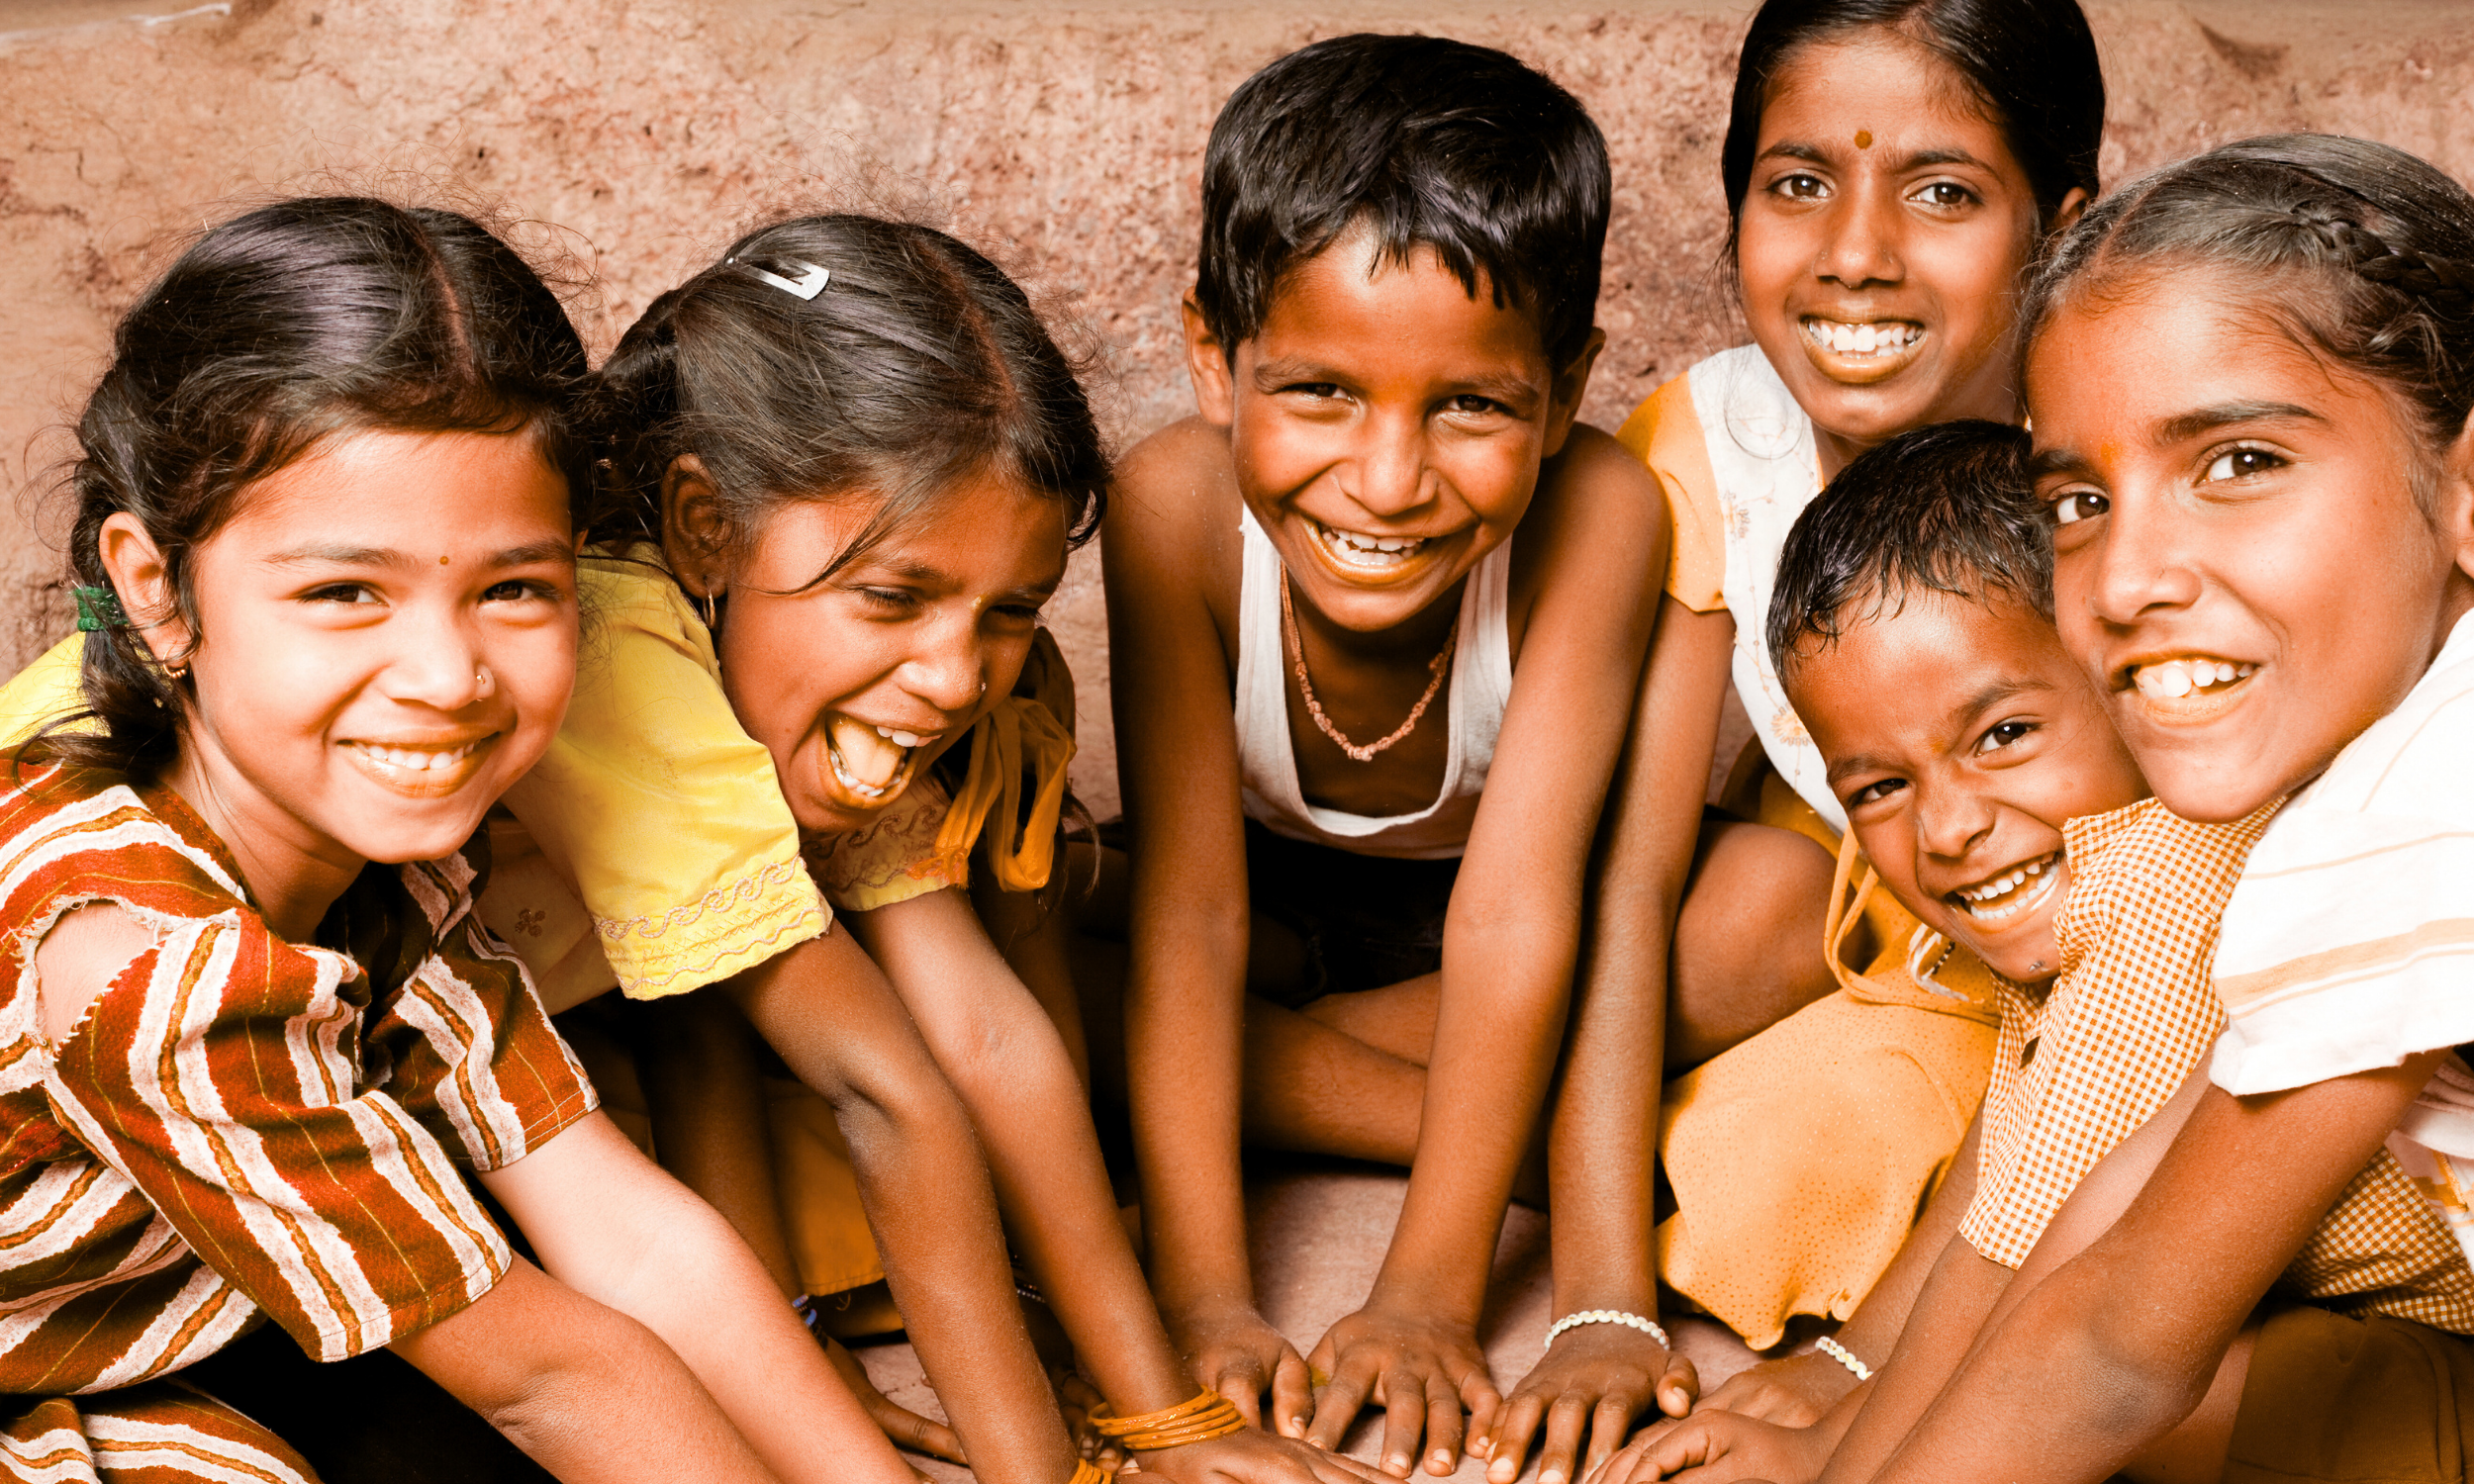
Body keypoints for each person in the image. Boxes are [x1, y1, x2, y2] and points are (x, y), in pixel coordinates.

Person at [0, 196, 915, 1483]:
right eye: (342, 592)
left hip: (140, 1334)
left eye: (513, 589)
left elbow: (636, 1239)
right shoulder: (141, 962)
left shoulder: (376, 866)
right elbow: (560, 1378)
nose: (446, 674)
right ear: (158, 590)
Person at [1598, 420, 2474, 1484]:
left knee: (2072, 1367)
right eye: (1879, 787)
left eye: (2003, 734)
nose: (1949, 828)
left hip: (2443, 1377)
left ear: (2126, 677)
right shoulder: (2096, 872)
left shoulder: (2165, 880)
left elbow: (2014, 1257)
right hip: (2372, 1335)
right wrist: (1842, 1373)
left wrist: (1838, 1466)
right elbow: (2009, 1164)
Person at [1484, 7, 2109, 1476]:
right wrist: (1602, 1307)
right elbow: (1618, 891)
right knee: (1743, 923)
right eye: (1798, 182)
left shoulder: (2118, 432)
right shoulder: (1708, 445)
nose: (1858, 252)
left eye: (1945, 191)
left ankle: (1207, 1045)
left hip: (2077, 932)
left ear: (2059, 226)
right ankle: (1188, 1036)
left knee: (1791, 1161)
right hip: (1868, 888)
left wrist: (1862, 1364)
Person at [1813, 134, 2474, 1484]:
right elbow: (2115, 1209)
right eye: (2081, 499)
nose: (2124, 580)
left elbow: (2117, 1350)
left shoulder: (2433, 799)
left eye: (2238, 462)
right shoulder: (2378, 784)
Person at [1098, 33, 1669, 1481]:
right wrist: (1205, 1295)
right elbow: (1192, 910)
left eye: (1472, 405)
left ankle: (1340, 1089)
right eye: (1321, 394)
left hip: (1477, 933)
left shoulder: (1600, 513)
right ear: (1212, 362)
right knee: (1037, 960)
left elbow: (1519, 908)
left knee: (1751, 932)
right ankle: (1566, 1131)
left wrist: (1426, 1293)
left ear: (1565, 384)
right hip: (1261, 922)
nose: (1389, 478)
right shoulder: (1170, 506)